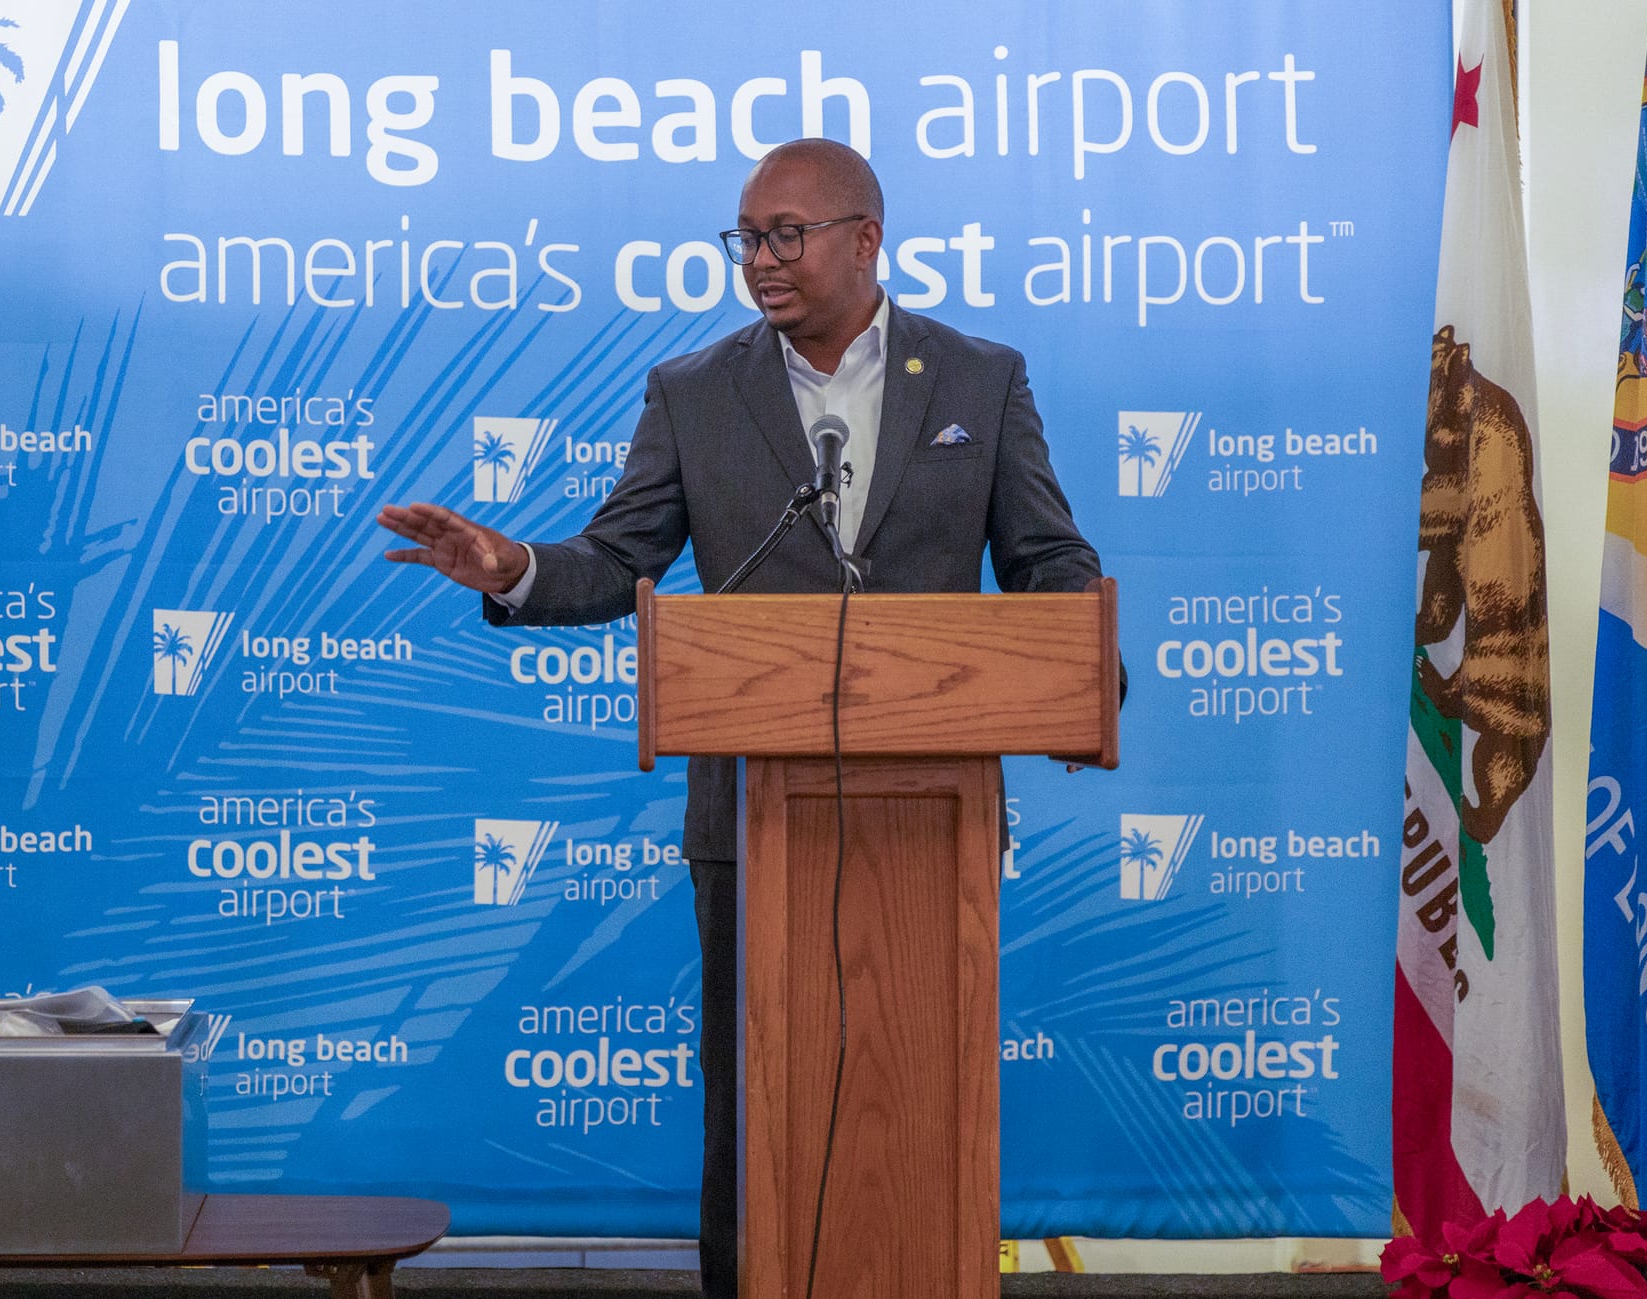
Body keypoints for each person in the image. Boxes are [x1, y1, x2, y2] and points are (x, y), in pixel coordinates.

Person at [378, 137, 1104, 1299]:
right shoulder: (693, 391)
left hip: (933, 810)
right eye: (746, 239)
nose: (759, 261)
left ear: (865, 239)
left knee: (926, 1080)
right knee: (757, 1091)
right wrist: (508, 563)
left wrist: (1077, 660)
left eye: (786, 235)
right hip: (753, 814)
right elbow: (620, 559)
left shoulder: (980, 379)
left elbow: (1046, 554)